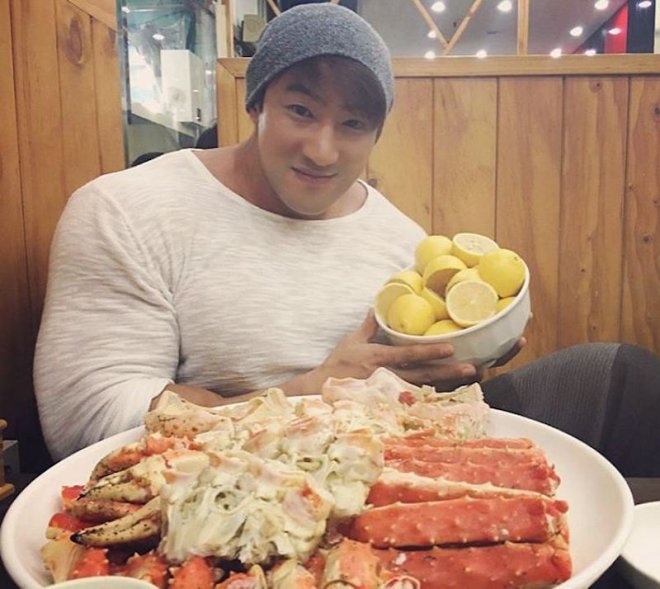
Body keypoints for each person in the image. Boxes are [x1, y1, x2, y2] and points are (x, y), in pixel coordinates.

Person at [34, 4, 659, 477]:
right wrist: (311, 394)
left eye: (354, 123)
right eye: (301, 111)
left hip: (392, 464)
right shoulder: (127, 210)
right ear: (257, 104)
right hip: (227, 483)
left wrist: (450, 365)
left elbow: (396, 389)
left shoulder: (400, 240)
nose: (323, 151)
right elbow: (89, 422)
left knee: (622, 377)